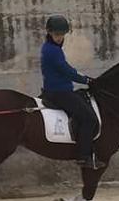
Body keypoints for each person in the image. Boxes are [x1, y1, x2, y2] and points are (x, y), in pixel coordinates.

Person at [38, 14, 98, 170]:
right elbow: (66, 71)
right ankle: (83, 156)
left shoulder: (52, 48)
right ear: (49, 33)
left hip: (59, 90)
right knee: (89, 119)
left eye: (61, 35)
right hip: (59, 92)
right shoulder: (52, 51)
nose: (59, 38)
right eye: (56, 35)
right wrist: (87, 80)